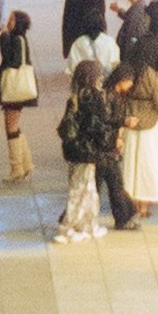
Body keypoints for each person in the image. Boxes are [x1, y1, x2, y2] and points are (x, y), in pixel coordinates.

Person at [55, 45, 118, 240]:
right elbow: (97, 126)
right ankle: (72, 226)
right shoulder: (94, 98)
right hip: (88, 149)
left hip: (73, 149)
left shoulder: (74, 97)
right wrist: (108, 145)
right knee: (83, 189)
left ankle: (85, 224)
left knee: (82, 186)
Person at [116, 44, 158, 220]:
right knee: (147, 164)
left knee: (130, 164)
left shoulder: (128, 73)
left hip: (130, 121)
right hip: (150, 126)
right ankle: (144, 205)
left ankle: (130, 202)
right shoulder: (152, 76)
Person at [0, 10, 40, 183]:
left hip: (16, 89)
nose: (8, 21)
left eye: (11, 19)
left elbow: (11, 60)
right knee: (13, 124)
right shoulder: (18, 38)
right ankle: (25, 163)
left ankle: (17, 168)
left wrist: (4, 36)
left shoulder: (17, 39)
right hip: (18, 88)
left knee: (10, 125)